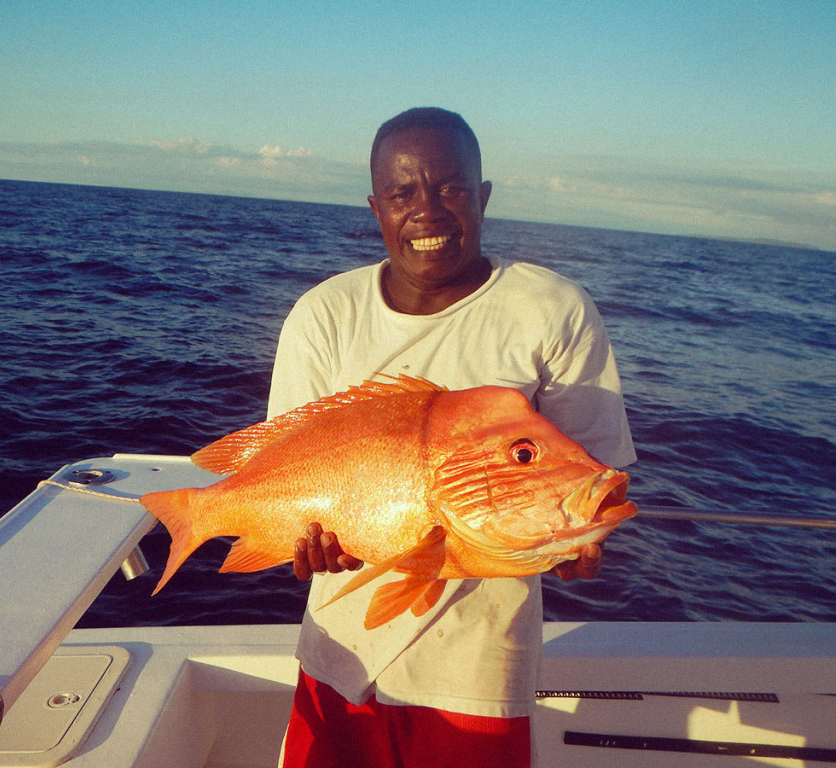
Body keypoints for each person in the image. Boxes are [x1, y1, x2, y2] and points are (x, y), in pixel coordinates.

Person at [268, 107, 636, 767]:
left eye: (451, 189)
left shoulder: (552, 310)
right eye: (403, 193)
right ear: (376, 207)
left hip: (479, 667)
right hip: (339, 654)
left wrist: (578, 545)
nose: (427, 211)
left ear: (483, 196)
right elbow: (282, 467)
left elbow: (588, 480)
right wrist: (301, 541)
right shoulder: (324, 315)